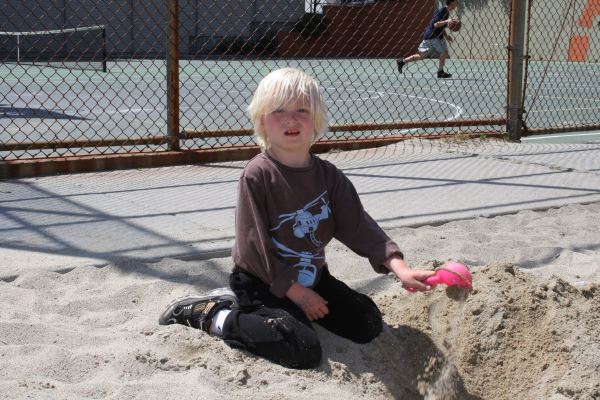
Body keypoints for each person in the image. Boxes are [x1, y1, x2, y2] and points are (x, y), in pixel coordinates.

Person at [159, 67, 435, 369]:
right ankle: (214, 314)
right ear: (263, 121)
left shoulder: (328, 176)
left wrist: (400, 268)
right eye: (279, 110)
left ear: (316, 120)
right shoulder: (258, 175)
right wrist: (298, 294)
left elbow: (359, 226)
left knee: (367, 321)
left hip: (312, 277)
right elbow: (254, 249)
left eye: (302, 110)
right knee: (301, 347)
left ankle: (286, 312)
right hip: (262, 280)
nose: (291, 119)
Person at [396, 0, 459, 78]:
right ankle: (440, 72)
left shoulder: (446, 11)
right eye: (456, 2)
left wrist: (446, 36)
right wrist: (448, 21)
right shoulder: (444, 10)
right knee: (443, 53)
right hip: (432, 36)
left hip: (435, 36)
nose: (457, 3)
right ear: (452, 2)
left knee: (422, 56)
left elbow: (441, 27)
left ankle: (402, 62)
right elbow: (436, 24)